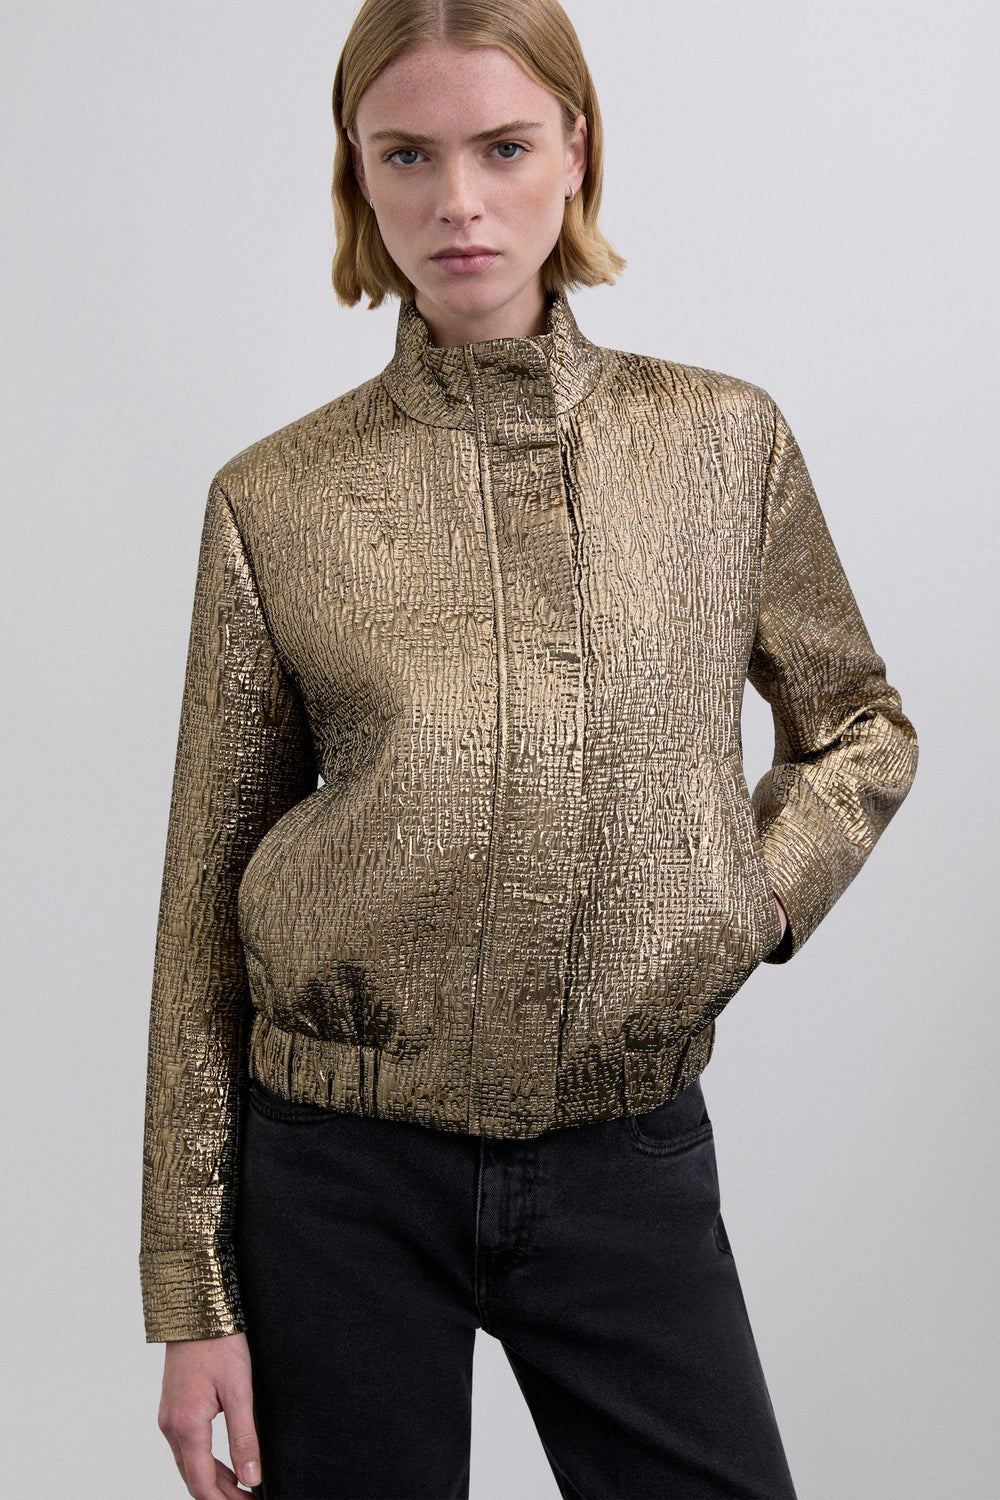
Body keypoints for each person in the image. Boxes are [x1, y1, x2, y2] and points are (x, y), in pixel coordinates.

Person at [141, 1, 919, 1496]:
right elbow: (201, 914)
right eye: (407, 155)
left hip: (624, 1150)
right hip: (337, 1173)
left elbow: (861, 729)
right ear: (358, 176)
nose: (459, 200)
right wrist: (192, 1291)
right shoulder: (276, 498)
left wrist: (747, 899)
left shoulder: (723, 443)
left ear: (577, 150)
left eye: (502, 147)